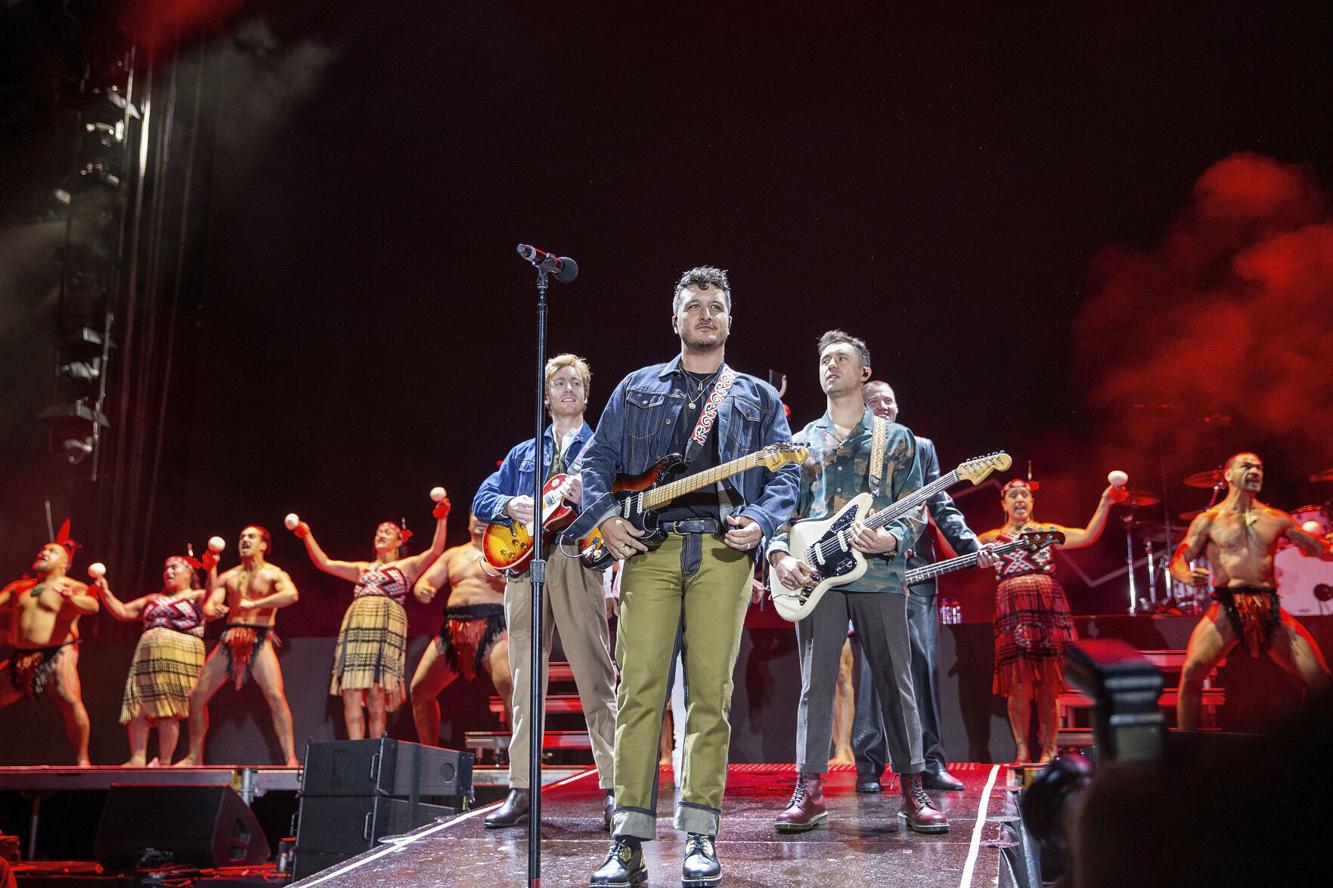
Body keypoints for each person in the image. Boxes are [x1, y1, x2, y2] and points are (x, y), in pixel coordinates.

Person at [568, 266, 799, 888]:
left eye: (715, 306)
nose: (705, 314)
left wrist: (760, 520)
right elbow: (597, 465)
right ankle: (627, 839)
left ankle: (700, 833)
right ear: (676, 319)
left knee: (709, 697)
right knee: (638, 692)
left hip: (723, 554)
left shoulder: (756, 396)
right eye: (693, 306)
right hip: (649, 551)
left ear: (729, 319)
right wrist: (604, 521)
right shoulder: (636, 388)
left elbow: (787, 477)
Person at [768, 331, 950, 837]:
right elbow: (783, 509)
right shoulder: (801, 442)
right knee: (815, 684)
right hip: (816, 579)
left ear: (864, 372)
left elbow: (914, 505)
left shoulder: (896, 439)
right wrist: (779, 555)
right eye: (824, 359)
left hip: (881, 576)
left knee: (897, 680)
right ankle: (809, 787)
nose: (830, 365)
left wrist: (890, 539)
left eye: (841, 359)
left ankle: (913, 788)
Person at [471, 353, 618, 831]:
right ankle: (522, 789)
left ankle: (616, 789)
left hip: (576, 560)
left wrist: (591, 498)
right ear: (547, 395)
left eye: (576, 382)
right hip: (523, 568)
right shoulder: (521, 454)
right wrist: (510, 503)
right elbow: (481, 499)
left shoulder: (601, 450)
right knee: (524, 681)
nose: (568, 389)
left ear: (586, 393)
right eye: (559, 383)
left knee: (595, 677)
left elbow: (623, 503)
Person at [852, 380, 985, 793]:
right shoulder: (849, 448)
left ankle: (930, 763)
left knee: (923, 668)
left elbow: (941, 503)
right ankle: (869, 766)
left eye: (889, 400)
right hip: (864, 572)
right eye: (875, 402)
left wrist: (969, 542)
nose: (884, 407)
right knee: (873, 671)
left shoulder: (921, 447)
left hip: (917, 572)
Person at [1170, 452, 1332, 730]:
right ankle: (1186, 753)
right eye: (1246, 466)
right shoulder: (1209, 520)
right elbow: (1179, 559)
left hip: (1268, 607)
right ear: (1229, 475)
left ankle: (1313, 745)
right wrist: (1187, 576)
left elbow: (1320, 549)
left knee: (1320, 681)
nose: (1255, 471)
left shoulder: (1276, 518)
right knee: (1191, 674)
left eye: (1258, 467)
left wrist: (1327, 545)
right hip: (1226, 607)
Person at [978, 478, 1124, 762]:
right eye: (1013, 495)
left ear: (1032, 502)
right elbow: (956, 551)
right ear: (1003, 503)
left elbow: (1086, 536)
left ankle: (1048, 748)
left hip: (1047, 604)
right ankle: (1021, 749)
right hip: (1011, 606)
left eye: (1025, 495)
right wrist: (934, 524)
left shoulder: (1047, 532)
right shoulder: (991, 538)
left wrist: (1105, 502)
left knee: (1048, 681)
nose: (1020, 499)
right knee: (1018, 682)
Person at [293, 492, 451, 740]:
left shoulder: (406, 566)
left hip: (386, 623)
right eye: (378, 531)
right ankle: (355, 749)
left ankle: (375, 751)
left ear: (400, 541)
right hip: (357, 622)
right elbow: (324, 563)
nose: (381, 535)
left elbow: (435, 550)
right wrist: (306, 534)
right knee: (351, 688)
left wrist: (442, 518)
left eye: (387, 532)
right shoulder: (362, 569)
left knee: (377, 690)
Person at [179, 526, 300, 767]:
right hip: (230, 636)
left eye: (250, 537)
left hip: (259, 637)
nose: (244, 540)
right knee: (196, 696)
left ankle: (291, 758)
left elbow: (291, 595)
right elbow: (209, 608)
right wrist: (215, 609)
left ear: (264, 545)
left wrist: (254, 603)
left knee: (276, 696)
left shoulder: (273, 574)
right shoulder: (229, 576)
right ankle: (194, 757)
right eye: (242, 536)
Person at [96, 555, 212, 765]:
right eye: (165, 568)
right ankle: (137, 759)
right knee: (138, 706)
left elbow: (212, 601)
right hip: (146, 656)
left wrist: (212, 568)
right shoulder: (152, 598)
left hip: (179, 655)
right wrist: (105, 592)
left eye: (174, 568)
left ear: (189, 572)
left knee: (167, 709)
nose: (168, 572)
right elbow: (123, 611)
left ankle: (165, 761)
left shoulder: (198, 595)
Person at [409, 514, 512, 749]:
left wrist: (505, 580)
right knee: (420, 689)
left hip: (494, 625)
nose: (480, 521)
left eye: (486, 516)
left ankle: (524, 759)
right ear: (467, 523)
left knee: (510, 685)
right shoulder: (453, 555)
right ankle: (430, 753)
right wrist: (423, 589)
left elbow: (527, 582)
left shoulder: (507, 549)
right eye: (475, 516)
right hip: (455, 629)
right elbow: (424, 582)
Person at [0, 528, 99, 765]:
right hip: (21, 656)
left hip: (59, 651)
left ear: (64, 562)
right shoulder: (19, 588)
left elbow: (92, 606)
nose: (44, 552)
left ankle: (82, 759)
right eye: (42, 549)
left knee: (69, 698)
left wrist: (71, 598)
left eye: (52, 551)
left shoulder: (72, 586)